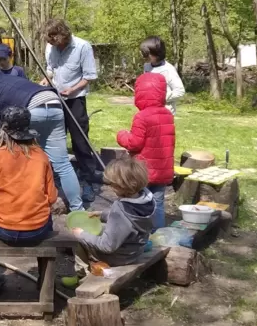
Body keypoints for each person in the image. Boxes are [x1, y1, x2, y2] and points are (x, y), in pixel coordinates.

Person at [0, 68, 83, 212]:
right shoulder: (7, 79)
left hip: (31, 108)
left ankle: (0, 191)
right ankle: (78, 210)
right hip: (54, 103)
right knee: (63, 164)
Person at [0, 107, 59, 295]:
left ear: (4, 131)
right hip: (37, 229)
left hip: (2, 228)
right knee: (48, 221)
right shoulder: (41, 156)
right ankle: (44, 283)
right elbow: (52, 197)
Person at [64, 158, 155, 287]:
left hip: (121, 257)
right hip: (135, 248)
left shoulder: (121, 210)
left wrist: (81, 234)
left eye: (111, 184)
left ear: (121, 186)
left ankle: (81, 275)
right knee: (99, 228)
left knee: (76, 238)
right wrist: (102, 214)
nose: (109, 186)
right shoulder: (146, 198)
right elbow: (128, 222)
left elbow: (107, 246)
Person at [40, 18, 101, 201]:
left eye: (54, 41)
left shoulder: (82, 47)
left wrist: (73, 89)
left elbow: (89, 76)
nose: (52, 45)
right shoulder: (50, 47)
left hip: (75, 99)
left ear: (63, 35)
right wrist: (46, 80)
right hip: (54, 98)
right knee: (53, 139)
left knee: (80, 141)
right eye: (49, 42)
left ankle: (88, 180)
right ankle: (55, 180)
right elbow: (51, 70)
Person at [116, 72, 175, 230]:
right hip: (163, 170)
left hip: (144, 171)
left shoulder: (141, 117)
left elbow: (134, 143)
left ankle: (138, 233)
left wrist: (122, 135)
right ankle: (159, 236)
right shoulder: (168, 115)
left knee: (140, 203)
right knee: (159, 204)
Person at [140, 36, 185, 116]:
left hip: (164, 114)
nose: (144, 56)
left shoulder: (168, 69)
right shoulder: (146, 66)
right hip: (148, 111)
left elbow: (180, 91)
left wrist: (161, 98)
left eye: (147, 54)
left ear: (157, 53)